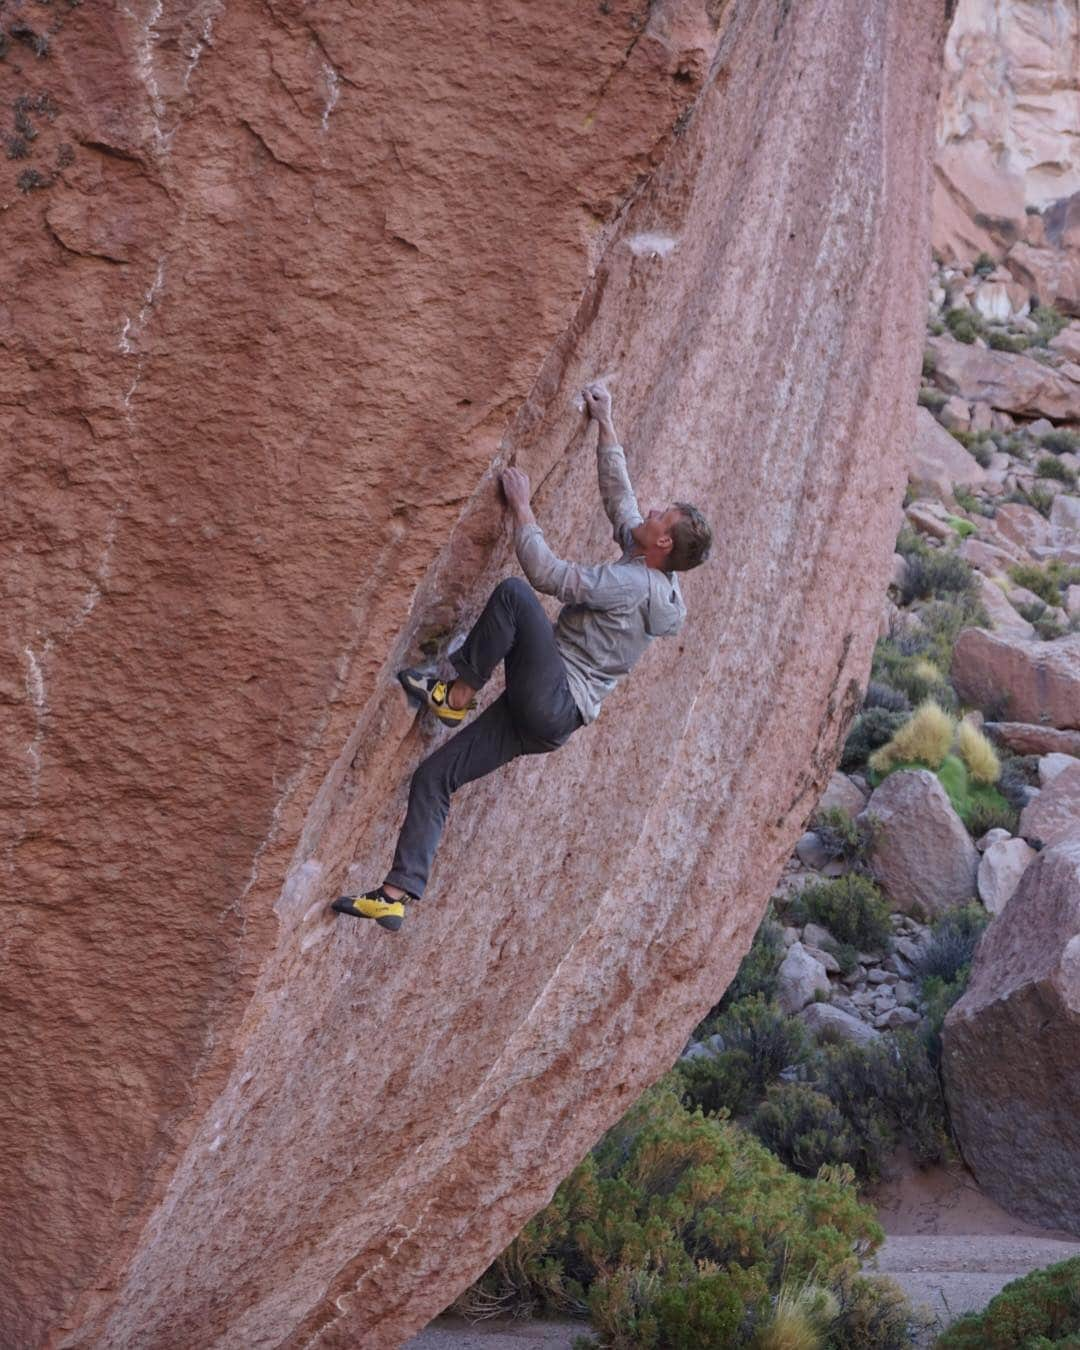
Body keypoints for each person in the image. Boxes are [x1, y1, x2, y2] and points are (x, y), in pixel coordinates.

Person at [332, 383, 712, 931]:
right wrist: (605, 425)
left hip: (553, 696)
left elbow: (548, 577)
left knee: (514, 595)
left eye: (663, 516)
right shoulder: (656, 568)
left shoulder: (634, 586)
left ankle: (454, 694)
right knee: (435, 777)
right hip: (551, 720)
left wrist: (523, 509)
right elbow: (623, 504)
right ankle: (396, 894)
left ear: (664, 546)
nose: (653, 510)